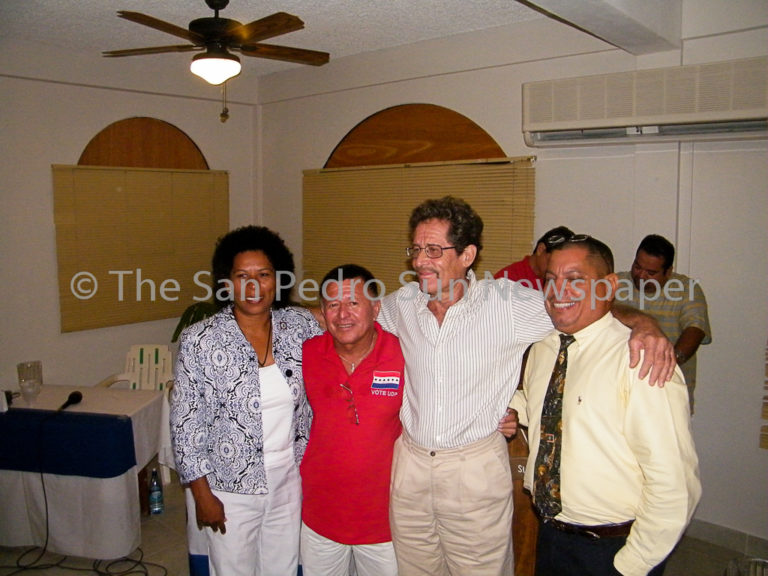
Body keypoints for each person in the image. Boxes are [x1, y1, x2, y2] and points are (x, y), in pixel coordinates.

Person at [376, 196, 675, 576]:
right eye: (416, 249)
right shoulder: (402, 303)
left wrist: (645, 323)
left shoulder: (507, 303)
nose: (420, 261)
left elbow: (581, 308)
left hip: (473, 470)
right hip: (411, 466)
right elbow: (348, 316)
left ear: (467, 255)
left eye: (433, 250)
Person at [510, 234, 701, 576]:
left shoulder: (640, 359)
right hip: (551, 535)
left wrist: (632, 564)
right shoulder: (544, 349)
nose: (558, 291)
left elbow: (675, 485)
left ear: (608, 286)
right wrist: (512, 408)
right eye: (551, 279)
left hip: (612, 549)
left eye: (574, 279)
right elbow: (545, 405)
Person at [170, 225, 322, 576]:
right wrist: (202, 495)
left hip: (288, 479)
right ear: (227, 283)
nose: (253, 286)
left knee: (282, 567)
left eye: (263, 275)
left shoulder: (298, 326)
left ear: (278, 280)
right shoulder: (200, 340)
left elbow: (347, 317)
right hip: (228, 486)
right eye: (242, 276)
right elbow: (185, 426)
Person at [300, 264, 404, 576]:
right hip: (321, 515)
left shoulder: (404, 354)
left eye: (354, 303)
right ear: (322, 312)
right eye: (333, 305)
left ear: (376, 308)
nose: (343, 314)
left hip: (385, 520)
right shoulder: (306, 353)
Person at [616, 234, 712, 412]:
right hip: (620, 390)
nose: (641, 275)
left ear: (668, 272)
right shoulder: (615, 284)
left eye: (651, 273)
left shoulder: (687, 289)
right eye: (637, 266)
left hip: (667, 390)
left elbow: (695, 330)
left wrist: (667, 364)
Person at [494, 225, 574, 289]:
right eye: (554, 262)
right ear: (540, 249)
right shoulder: (507, 279)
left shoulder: (561, 281)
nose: (557, 269)